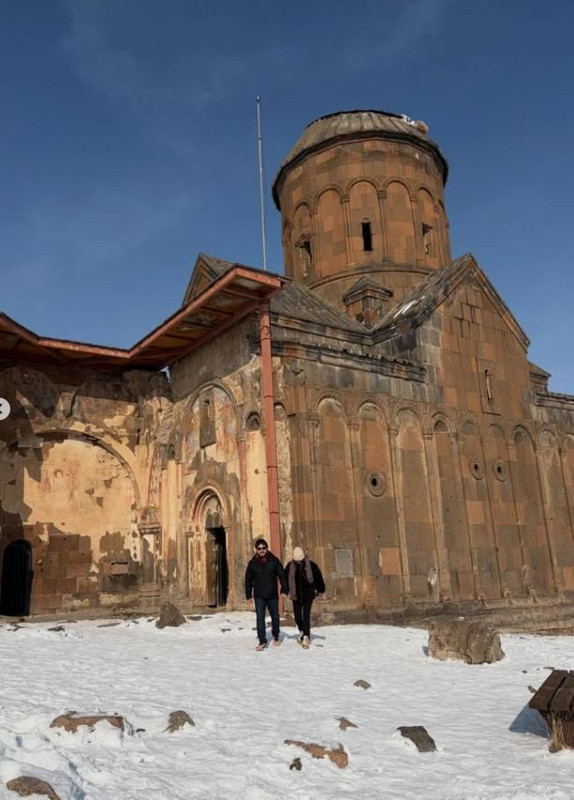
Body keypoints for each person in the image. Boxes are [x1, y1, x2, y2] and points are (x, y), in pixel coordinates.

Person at [245, 538, 286, 651]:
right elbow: (248, 580)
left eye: (263, 548)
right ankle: (262, 641)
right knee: (260, 619)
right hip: (259, 596)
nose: (261, 550)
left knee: (275, 617)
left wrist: (284, 589)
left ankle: (276, 635)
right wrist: (248, 595)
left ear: (267, 548)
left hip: (272, 595)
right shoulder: (252, 563)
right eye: (259, 548)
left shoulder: (274, 561)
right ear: (256, 550)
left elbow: (282, 575)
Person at [284, 546, 325, 649]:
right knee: (297, 616)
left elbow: (318, 577)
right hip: (296, 595)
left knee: (306, 615)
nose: (298, 562)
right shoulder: (290, 566)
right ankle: (302, 630)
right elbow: (285, 579)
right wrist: (285, 591)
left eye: (300, 560)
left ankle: (306, 636)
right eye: (296, 561)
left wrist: (320, 590)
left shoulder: (311, 565)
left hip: (308, 594)